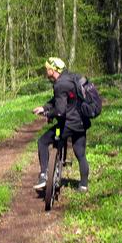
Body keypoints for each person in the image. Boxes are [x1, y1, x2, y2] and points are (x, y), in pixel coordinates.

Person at [32, 57, 90, 192]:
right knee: (80, 153)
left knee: (43, 141)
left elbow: (60, 111)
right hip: (81, 122)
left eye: (47, 69)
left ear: (52, 70)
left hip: (68, 124)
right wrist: (45, 107)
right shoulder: (70, 78)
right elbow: (59, 99)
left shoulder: (59, 85)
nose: (46, 71)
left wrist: (48, 114)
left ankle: (44, 175)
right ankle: (83, 185)